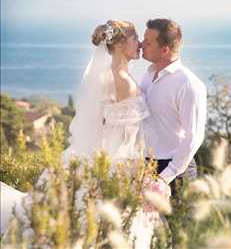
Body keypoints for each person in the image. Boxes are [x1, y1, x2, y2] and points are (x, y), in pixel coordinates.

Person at [0, 20, 169, 248]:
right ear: (119, 43)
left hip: (102, 158)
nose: (139, 43)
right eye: (134, 37)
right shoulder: (123, 82)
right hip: (114, 162)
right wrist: (132, 172)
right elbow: (122, 136)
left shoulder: (112, 76)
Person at [140, 18, 207, 195]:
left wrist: (164, 178)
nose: (141, 45)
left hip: (175, 172)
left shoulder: (189, 84)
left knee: (179, 224)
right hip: (145, 168)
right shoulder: (147, 75)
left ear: (164, 49)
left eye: (147, 42)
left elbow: (194, 136)